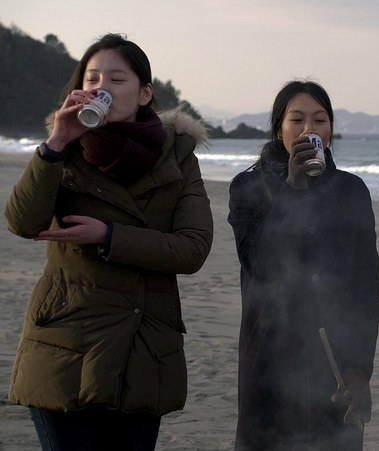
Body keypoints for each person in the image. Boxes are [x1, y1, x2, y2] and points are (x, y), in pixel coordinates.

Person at [4, 33, 213, 450]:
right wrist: (56, 143)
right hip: (65, 346)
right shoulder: (63, 151)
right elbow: (21, 222)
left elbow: (192, 248)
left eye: (117, 80)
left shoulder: (178, 157)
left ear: (144, 93)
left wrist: (109, 236)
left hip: (143, 350)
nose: (102, 88)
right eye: (92, 79)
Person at [228, 80, 379, 451]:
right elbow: (259, 264)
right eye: (297, 120)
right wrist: (292, 190)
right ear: (279, 129)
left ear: (330, 131)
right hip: (270, 357)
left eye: (320, 120)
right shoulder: (248, 187)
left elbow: (366, 286)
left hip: (335, 360)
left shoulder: (350, 190)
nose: (308, 129)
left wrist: (359, 369)